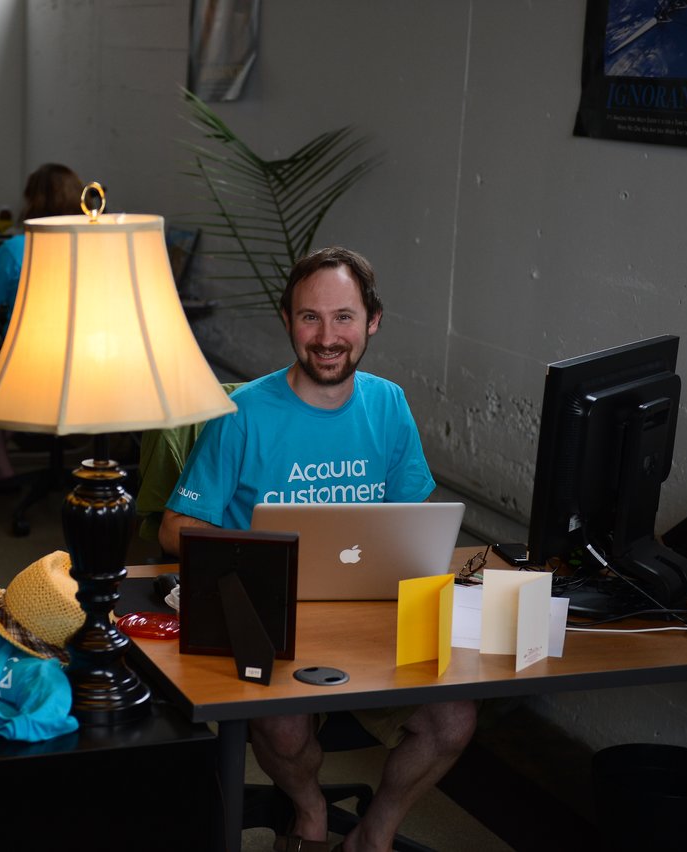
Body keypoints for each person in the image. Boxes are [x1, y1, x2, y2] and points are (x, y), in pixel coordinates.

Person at [159, 246, 477, 852]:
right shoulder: (242, 413)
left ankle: (373, 835)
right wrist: (255, 551)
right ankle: (308, 814)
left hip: (369, 616)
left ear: (372, 321)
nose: (327, 336)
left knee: (453, 720)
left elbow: (414, 522)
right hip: (268, 614)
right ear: (287, 320)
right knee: (281, 722)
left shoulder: (388, 405)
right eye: (310, 317)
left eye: (344, 317)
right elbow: (174, 528)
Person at [0, 163, 83, 485]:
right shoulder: (97, 247)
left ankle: (3, 467)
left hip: (29, 371)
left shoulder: (13, 250)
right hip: (86, 368)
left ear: (31, 200)